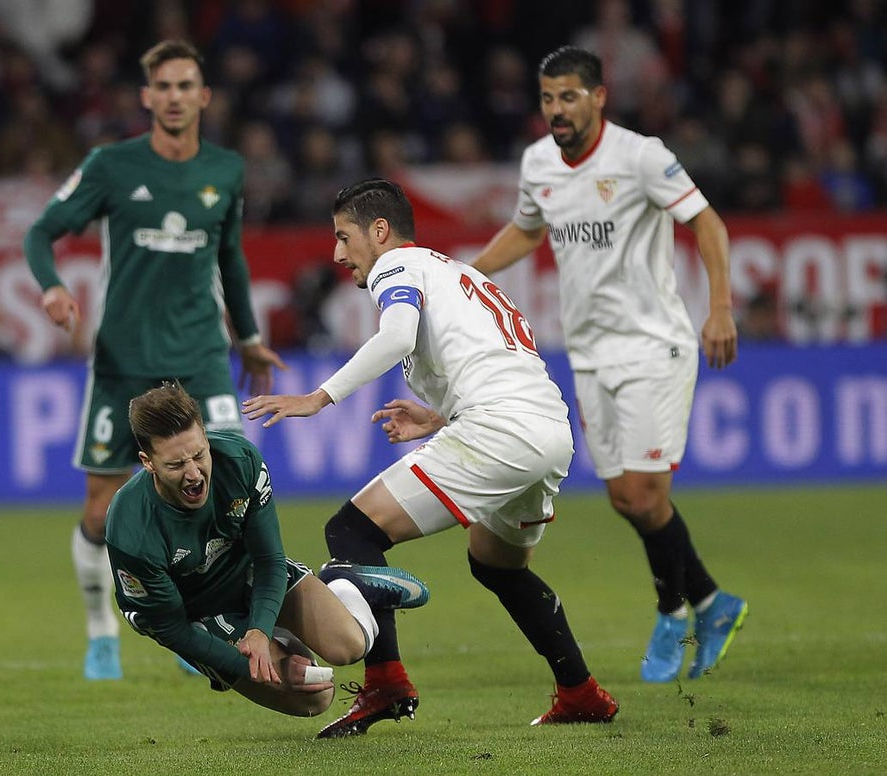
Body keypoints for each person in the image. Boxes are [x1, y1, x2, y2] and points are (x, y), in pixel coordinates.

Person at [243, 179, 619, 736]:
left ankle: (386, 683)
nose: (338, 254)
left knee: (352, 530)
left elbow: (397, 338)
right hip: (547, 430)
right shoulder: (458, 273)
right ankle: (581, 692)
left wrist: (318, 397)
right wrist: (443, 417)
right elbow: (498, 364)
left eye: (344, 237)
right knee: (497, 565)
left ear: (379, 231)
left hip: (499, 431)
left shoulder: (396, 266)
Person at [470, 46, 748, 684]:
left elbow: (708, 224)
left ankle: (673, 611)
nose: (557, 109)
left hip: (653, 346)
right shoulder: (539, 163)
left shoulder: (641, 156)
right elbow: (529, 229)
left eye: (569, 96)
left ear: (598, 97)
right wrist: (468, 273)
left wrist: (720, 308)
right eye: (548, 98)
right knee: (625, 499)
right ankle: (713, 602)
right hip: (590, 353)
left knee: (646, 494)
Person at [23, 39, 287, 681]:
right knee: (99, 509)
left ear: (204, 96)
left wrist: (249, 337)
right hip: (125, 362)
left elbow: (231, 259)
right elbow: (40, 232)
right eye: (163, 86)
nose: (174, 97)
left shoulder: (225, 170)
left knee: (223, 484)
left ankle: (209, 622)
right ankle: (100, 633)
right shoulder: (112, 165)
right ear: (147, 97)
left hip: (201, 357)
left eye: (185, 85)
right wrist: (52, 287)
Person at [106, 382, 430, 718]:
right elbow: (172, 629)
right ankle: (282, 646)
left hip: (251, 577)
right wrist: (248, 666)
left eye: (199, 455)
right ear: (148, 462)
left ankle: (342, 582)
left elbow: (268, 559)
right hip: (199, 615)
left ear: (205, 435)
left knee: (350, 646)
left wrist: (259, 630)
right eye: (175, 465)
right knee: (316, 699)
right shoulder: (131, 530)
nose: (193, 474)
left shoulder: (240, 462)